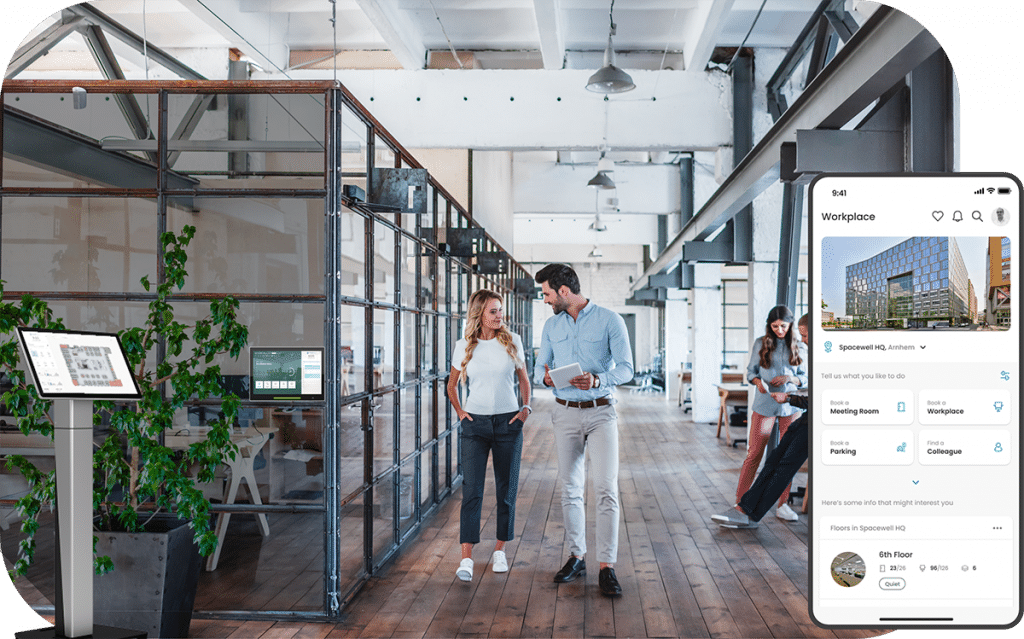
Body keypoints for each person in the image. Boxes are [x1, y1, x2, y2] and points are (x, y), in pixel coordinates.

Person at [533, 264, 634, 597]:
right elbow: (540, 367)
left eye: (546, 292)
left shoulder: (610, 320)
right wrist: (545, 378)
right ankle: (577, 557)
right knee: (570, 489)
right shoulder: (551, 325)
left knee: (606, 488)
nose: (544, 299)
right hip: (564, 413)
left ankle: (607, 566)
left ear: (563, 291)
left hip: (601, 412)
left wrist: (598, 379)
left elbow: (627, 369)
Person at [446, 289, 531, 582]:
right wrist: (460, 412)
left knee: (506, 492)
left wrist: (525, 409)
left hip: (509, 424)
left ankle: (499, 551)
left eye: (500, 310)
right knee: (472, 491)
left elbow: (524, 379)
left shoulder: (513, 342)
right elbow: (451, 385)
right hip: (475, 425)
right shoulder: (463, 346)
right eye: (493, 311)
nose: (499, 316)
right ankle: (466, 558)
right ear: (479, 314)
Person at [712, 314, 811, 528]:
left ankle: (751, 512)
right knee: (773, 458)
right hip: (799, 413)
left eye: (806, 335)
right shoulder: (762, 343)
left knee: (785, 464)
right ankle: (742, 507)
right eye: (802, 335)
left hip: (805, 414)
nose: (804, 340)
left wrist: (790, 392)